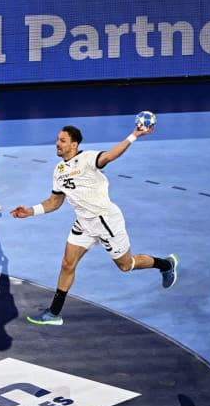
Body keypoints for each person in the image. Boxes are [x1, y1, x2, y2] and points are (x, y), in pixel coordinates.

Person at [10, 124, 178, 326]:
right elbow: (54, 202)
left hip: (106, 221)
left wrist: (134, 135)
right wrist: (29, 211)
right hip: (84, 223)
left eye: (62, 141)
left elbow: (109, 156)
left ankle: (166, 264)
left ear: (74, 144)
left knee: (126, 265)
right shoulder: (59, 170)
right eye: (57, 140)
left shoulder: (88, 159)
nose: (57, 144)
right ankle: (54, 313)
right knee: (67, 264)